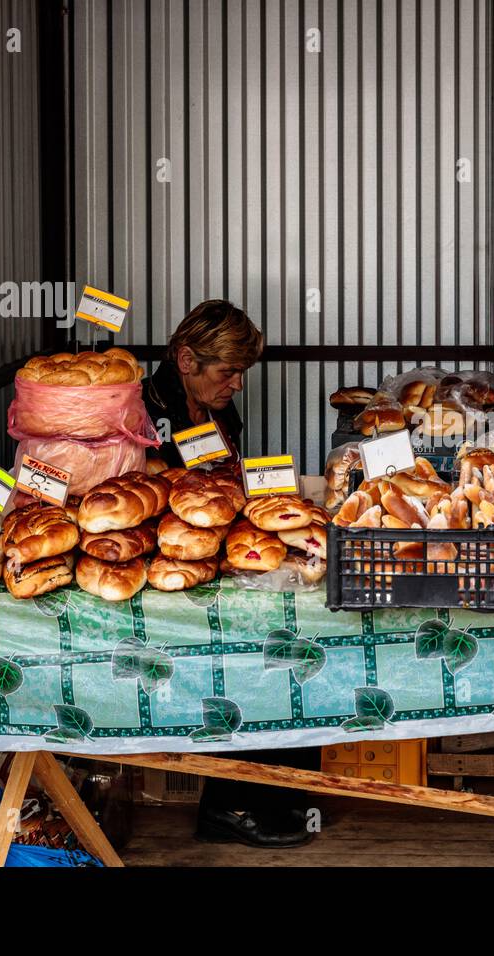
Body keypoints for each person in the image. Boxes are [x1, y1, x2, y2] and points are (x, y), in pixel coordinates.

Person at [143, 299, 320, 849]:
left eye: (242, 372)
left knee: (290, 645)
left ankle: (287, 795)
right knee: (250, 656)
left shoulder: (219, 412)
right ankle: (230, 805)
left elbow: (228, 477)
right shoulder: (143, 413)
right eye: (228, 372)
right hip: (163, 566)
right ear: (185, 360)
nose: (238, 385)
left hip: (219, 558)